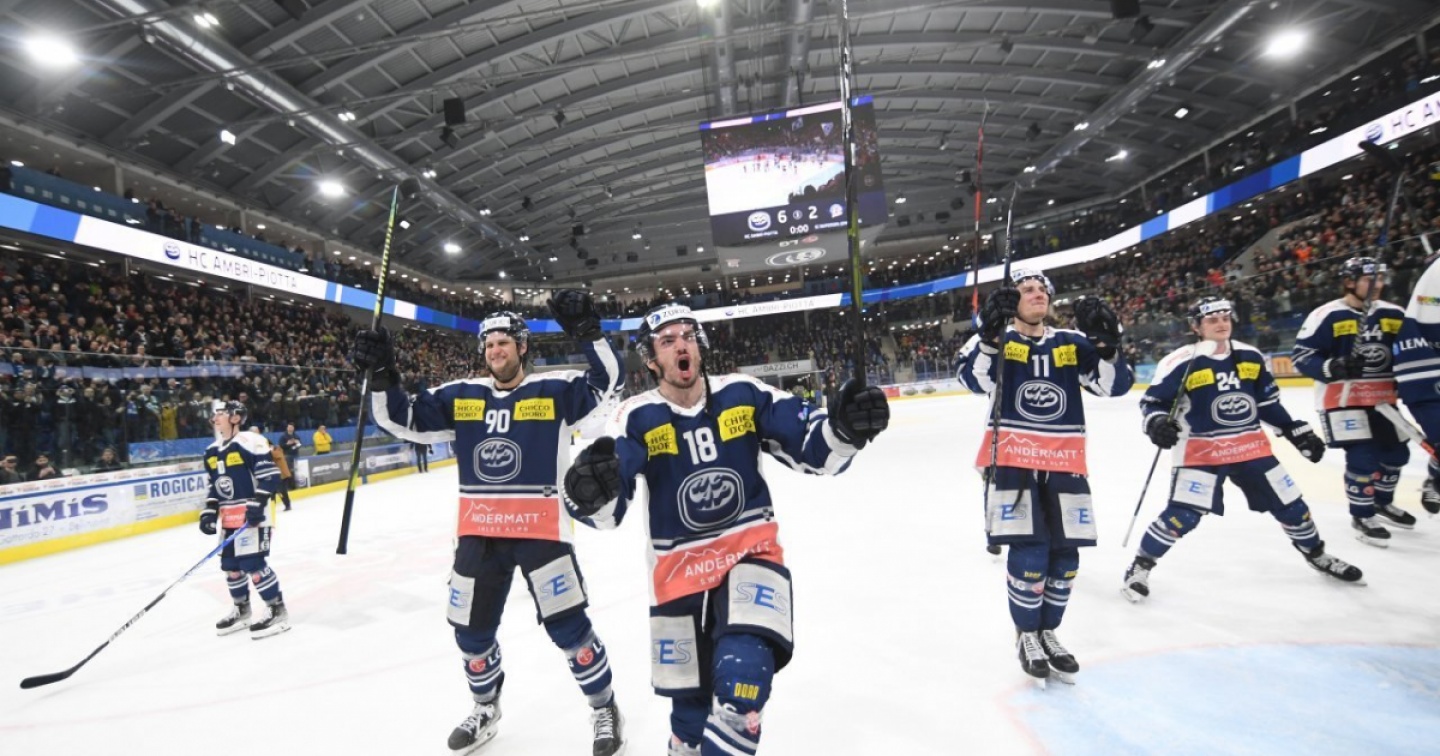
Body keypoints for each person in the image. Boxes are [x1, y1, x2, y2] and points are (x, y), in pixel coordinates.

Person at [561, 303, 890, 756]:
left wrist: (844, 430)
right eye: (667, 341)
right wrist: (588, 493)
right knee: (689, 720)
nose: (681, 345)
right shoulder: (634, 417)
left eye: (687, 336)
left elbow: (815, 449)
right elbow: (609, 505)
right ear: (652, 359)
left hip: (750, 561)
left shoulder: (743, 393)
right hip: (677, 580)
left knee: (742, 685)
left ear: (699, 347)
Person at [349, 290, 628, 756]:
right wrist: (382, 376)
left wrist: (587, 333)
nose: (496, 350)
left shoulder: (555, 390)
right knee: (471, 635)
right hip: (479, 534)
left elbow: (609, 381)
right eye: (490, 344)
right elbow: (400, 419)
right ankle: (485, 708)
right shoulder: (461, 396)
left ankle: (605, 707)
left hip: (541, 532)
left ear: (522, 346)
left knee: (570, 630)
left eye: (504, 342)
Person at [956, 270, 1134, 685]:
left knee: (1066, 554)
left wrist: (1109, 348)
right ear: (1011, 299)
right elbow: (974, 380)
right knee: (1031, 548)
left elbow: (1113, 387)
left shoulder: (1070, 342)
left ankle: (1049, 630)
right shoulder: (998, 337)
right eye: (1026, 290)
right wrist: (989, 336)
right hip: (1013, 458)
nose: (1037, 295)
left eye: (1042, 290)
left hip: (1065, 459)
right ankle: (1026, 633)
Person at [1123, 296, 1364, 603]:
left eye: (1225, 318)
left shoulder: (1250, 356)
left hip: (1250, 447)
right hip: (1201, 452)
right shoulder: (1180, 361)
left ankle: (1317, 555)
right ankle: (1140, 566)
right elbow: (1153, 402)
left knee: (1292, 507)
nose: (1221, 324)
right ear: (1196, 327)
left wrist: (1294, 430)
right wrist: (1157, 423)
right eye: (1212, 320)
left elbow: (1266, 403)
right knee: (1183, 516)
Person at [1292, 256, 1415, 546]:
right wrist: (1332, 367)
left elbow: (1413, 349)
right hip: (1342, 400)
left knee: (1397, 455)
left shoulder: (1394, 314)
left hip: (1383, 399)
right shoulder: (1327, 315)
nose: (1377, 285)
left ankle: (1382, 502)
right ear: (1349, 282)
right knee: (1363, 457)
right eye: (1370, 280)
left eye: (1380, 279)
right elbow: (1302, 356)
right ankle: (1362, 514)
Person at [200, 401, 290, 639]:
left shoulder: (251, 441)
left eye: (221, 414)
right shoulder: (211, 451)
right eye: (214, 415)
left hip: (253, 518)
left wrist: (257, 504)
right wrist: (209, 510)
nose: (215, 418)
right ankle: (242, 611)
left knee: (253, 564)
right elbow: (214, 486)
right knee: (230, 567)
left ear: (235, 417)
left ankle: (277, 610)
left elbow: (270, 476)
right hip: (229, 519)